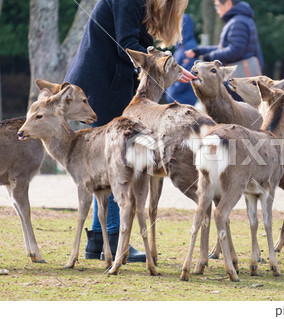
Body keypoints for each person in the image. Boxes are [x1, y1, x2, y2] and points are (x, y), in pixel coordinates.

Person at [64, 0, 195, 262]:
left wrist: (170, 66)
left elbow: (138, 40)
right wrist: (166, 67)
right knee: (118, 161)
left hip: (104, 83)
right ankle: (113, 237)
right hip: (102, 86)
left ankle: (98, 242)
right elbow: (126, 45)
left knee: (107, 161)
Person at [185, 0, 263, 75]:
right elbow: (225, 48)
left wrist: (210, 57)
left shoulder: (238, 22)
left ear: (228, 3)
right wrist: (200, 51)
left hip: (242, 76)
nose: (217, 11)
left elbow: (235, 51)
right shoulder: (239, 19)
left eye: (218, 6)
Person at [165, 14, 198, 106]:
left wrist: (174, 91)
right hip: (176, 97)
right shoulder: (180, 48)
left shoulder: (190, 47)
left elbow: (187, 71)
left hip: (184, 99)